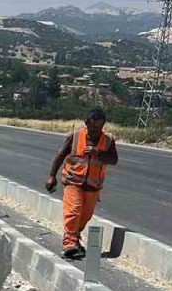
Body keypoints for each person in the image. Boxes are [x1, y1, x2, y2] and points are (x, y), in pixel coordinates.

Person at [46, 107, 119, 260]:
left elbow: (113, 160)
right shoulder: (76, 136)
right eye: (92, 126)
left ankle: (75, 237)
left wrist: (98, 154)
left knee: (85, 216)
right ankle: (70, 243)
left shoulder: (108, 140)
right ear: (86, 122)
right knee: (73, 210)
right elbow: (61, 154)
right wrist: (52, 175)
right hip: (73, 181)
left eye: (99, 126)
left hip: (93, 186)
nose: (95, 130)